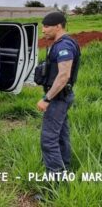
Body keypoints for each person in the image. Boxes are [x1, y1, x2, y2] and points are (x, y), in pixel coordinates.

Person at [36, 12, 81, 175]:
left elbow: (63, 76)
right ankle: (64, 170)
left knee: (48, 140)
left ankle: (54, 185)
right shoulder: (61, 43)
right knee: (61, 135)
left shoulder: (64, 46)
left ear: (58, 26)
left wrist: (47, 99)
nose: (43, 30)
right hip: (61, 97)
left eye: (46, 26)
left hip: (57, 99)